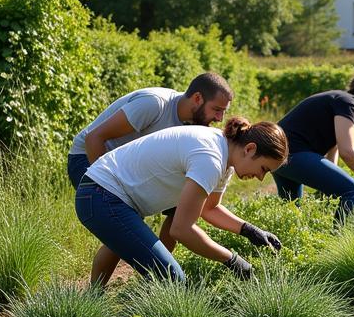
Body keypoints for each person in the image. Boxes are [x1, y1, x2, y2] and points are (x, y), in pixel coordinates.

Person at [75, 118, 287, 285]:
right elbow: (181, 230)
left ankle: (93, 302)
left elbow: (209, 209)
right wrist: (233, 260)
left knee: (123, 242)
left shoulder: (224, 156)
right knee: (173, 278)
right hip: (100, 195)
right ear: (250, 149)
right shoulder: (210, 159)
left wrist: (248, 230)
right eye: (264, 169)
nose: (261, 178)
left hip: (102, 194)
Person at [68, 72, 234, 188]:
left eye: (223, 112)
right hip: (86, 158)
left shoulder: (191, 125)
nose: (219, 118)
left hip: (121, 168)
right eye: (216, 109)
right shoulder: (155, 104)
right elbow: (94, 138)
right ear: (197, 98)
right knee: (122, 221)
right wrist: (106, 188)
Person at [273, 63, 354, 219]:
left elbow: (334, 148)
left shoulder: (342, 101)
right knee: (351, 189)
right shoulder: (349, 104)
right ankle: (338, 241)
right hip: (292, 152)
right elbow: (347, 152)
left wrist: (329, 180)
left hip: (276, 153)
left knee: (292, 215)